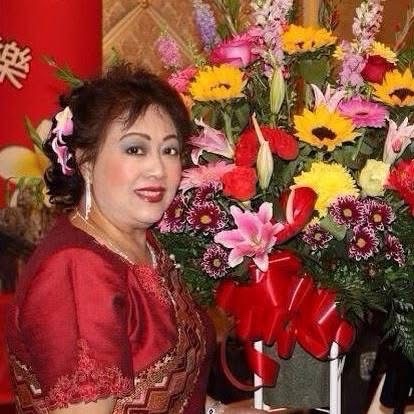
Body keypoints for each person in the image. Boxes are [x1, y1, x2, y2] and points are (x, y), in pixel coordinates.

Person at [6, 63, 266, 414]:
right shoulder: (77, 271)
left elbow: (162, 390)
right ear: (85, 161)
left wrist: (220, 411)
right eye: (135, 149)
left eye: (169, 150)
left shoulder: (141, 243)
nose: (158, 169)